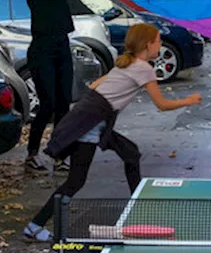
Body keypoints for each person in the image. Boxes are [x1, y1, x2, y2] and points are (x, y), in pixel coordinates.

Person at [23, 24, 201, 241]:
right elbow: (161, 105)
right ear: (148, 44)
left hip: (92, 118)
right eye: (158, 41)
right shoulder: (144, 68)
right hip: (90, 122)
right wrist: (189, 100)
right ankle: (35, 225)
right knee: (76, 181)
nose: (161, 45)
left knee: (131, 154)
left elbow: (96, 85)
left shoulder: (125, 63)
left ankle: (139, 210)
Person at [21, 0, 75, 172]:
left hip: (62, 44)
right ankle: (32, 154)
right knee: (48, 103)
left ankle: (60, 154)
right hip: (42, 48)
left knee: (64, 102)